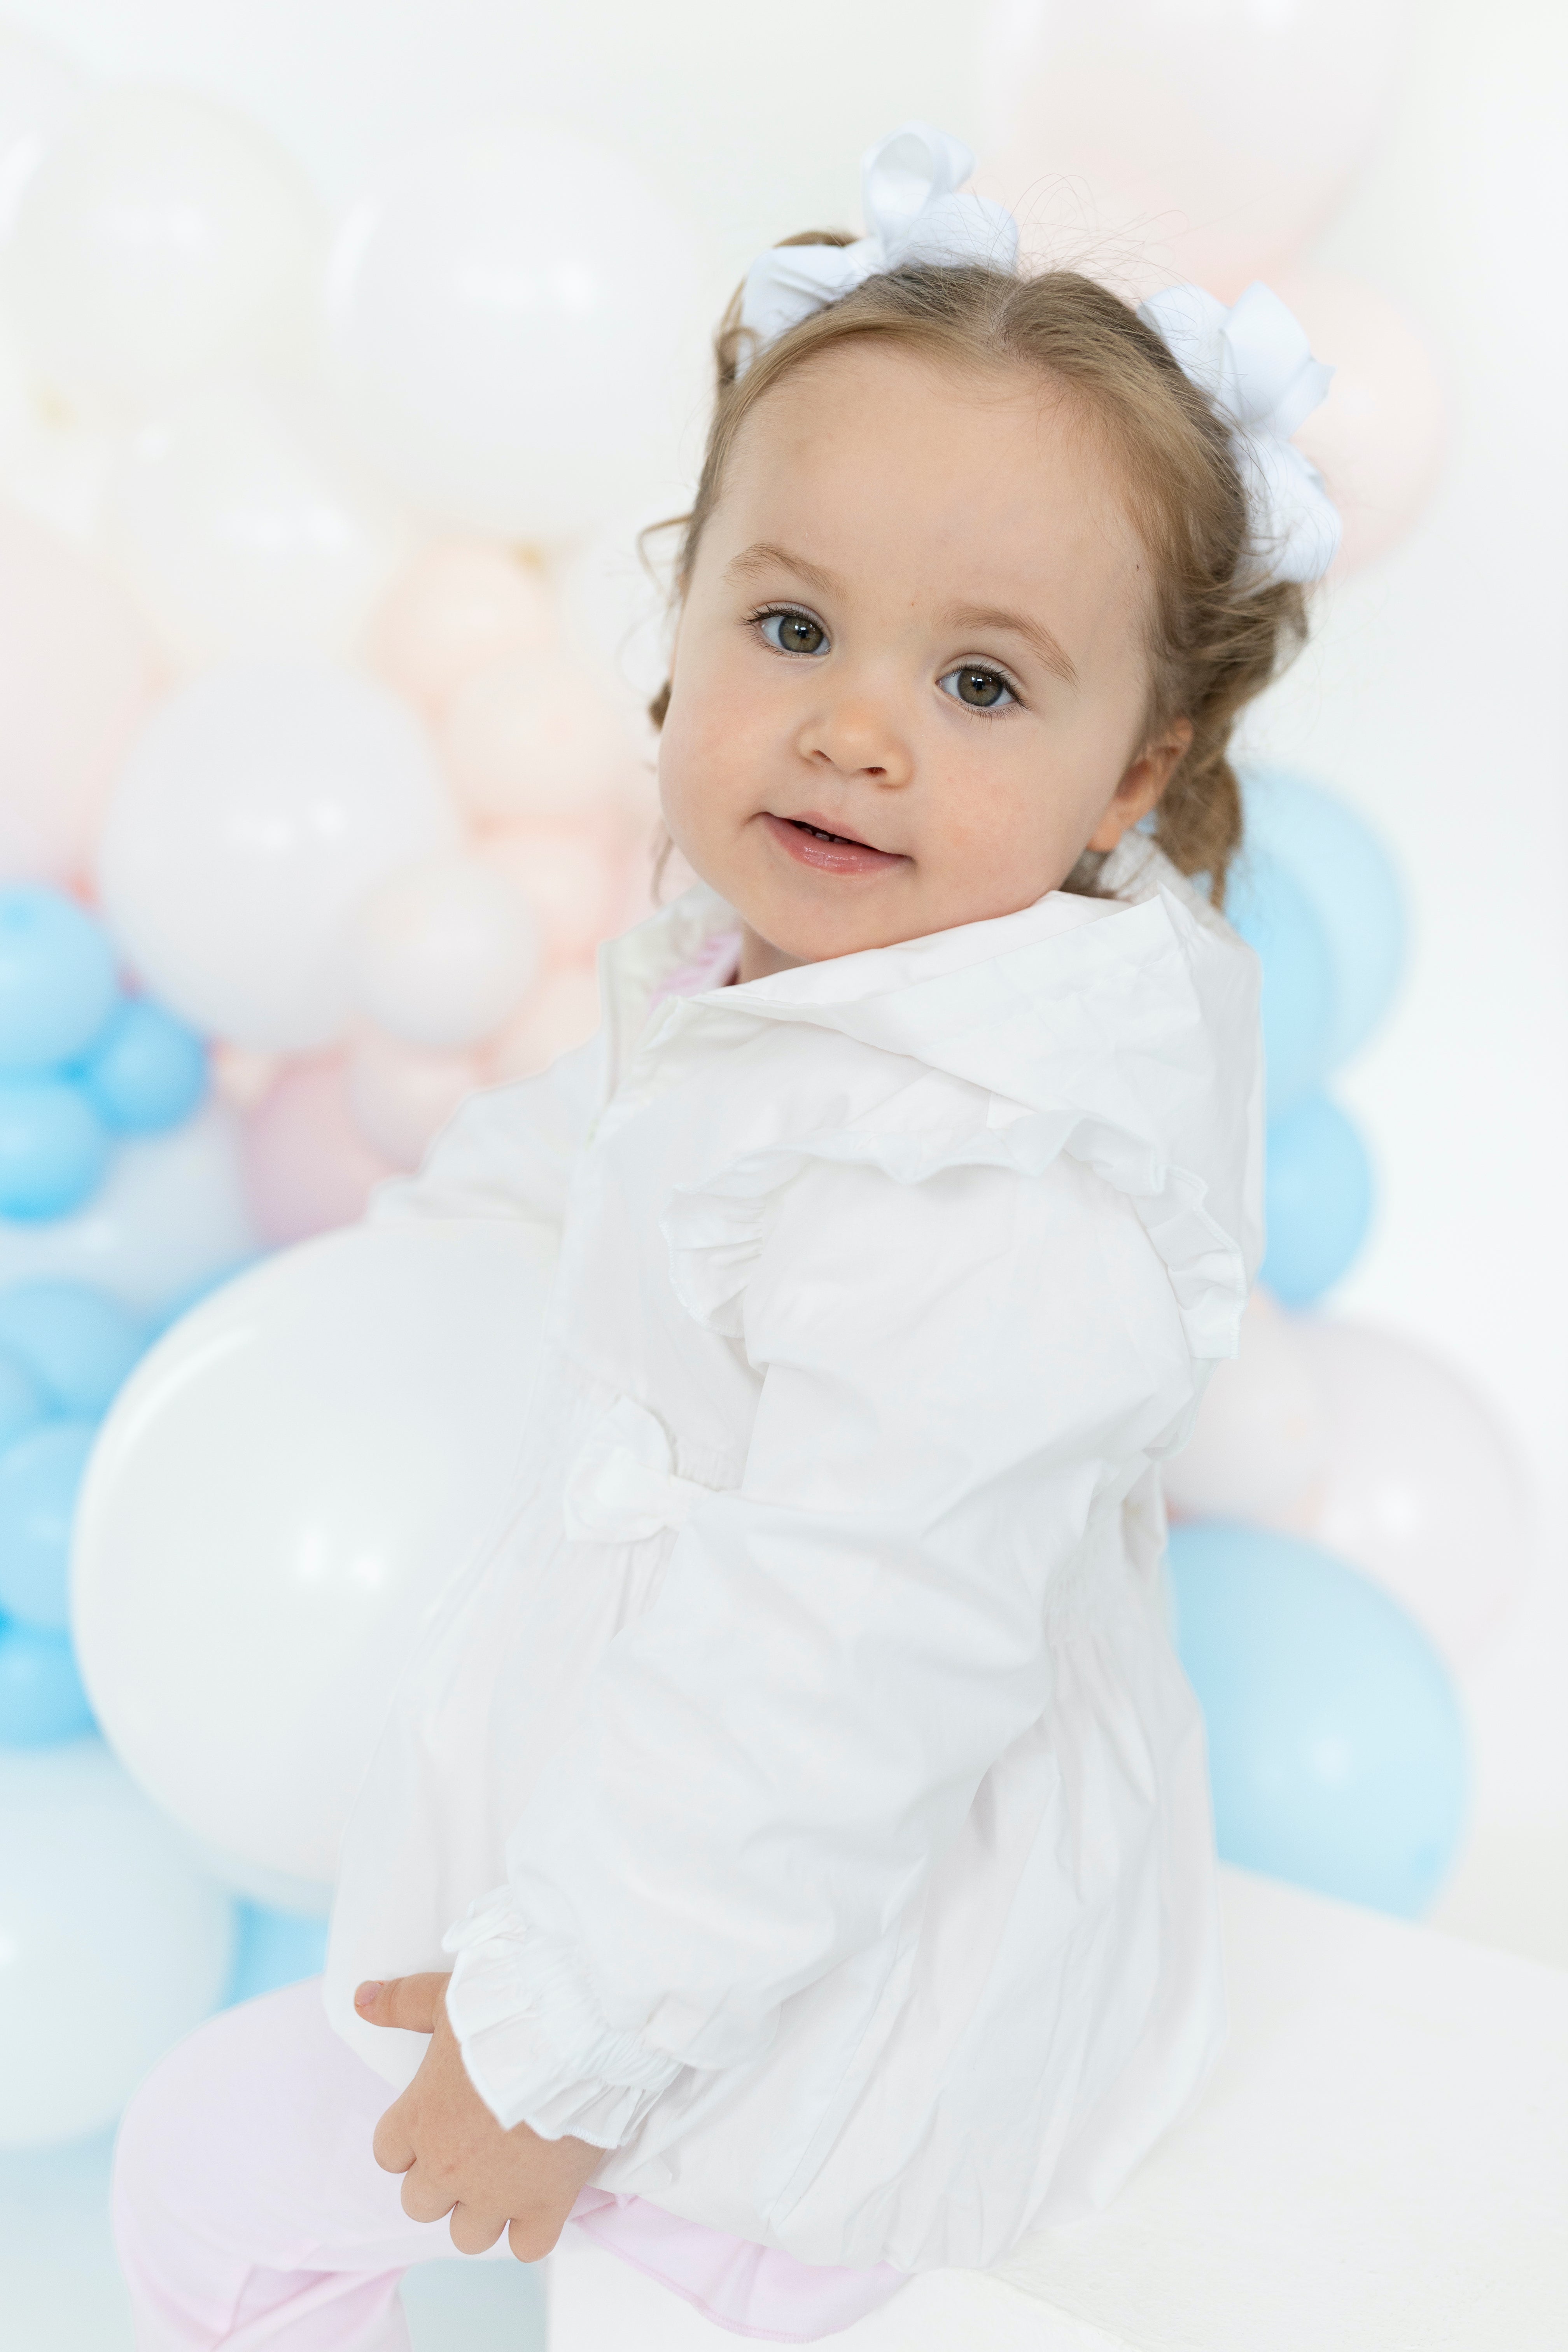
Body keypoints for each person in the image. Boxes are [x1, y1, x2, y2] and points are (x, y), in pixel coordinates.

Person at [112, 121, 1339, 2349]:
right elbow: (604, 1145)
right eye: (793, 624)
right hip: (661, 1852)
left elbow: (835, 1677)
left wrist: (559, 2039)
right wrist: (435, 1273)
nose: (856, 726)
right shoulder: (755, 958)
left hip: (837, 2002)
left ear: (1132, 777)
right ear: (678, 617)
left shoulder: (995, 1193)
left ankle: (724, 2245)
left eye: (981, 685)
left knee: (220, 2191)